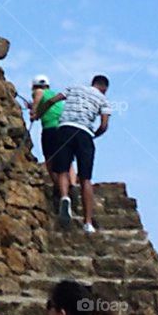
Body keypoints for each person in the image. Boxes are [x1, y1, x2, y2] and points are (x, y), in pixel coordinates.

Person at [40, 76, 112, 233]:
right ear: (104, 89)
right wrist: (94, 135)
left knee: (62, 169)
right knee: (86, 178)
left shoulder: (75, 88)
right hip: (84, 133)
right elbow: (104, 125)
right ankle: (88, 223)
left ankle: (65, 196)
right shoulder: (104, 100)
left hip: (65, 128)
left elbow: (52, 101)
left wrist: (38, 113)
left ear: (92, 83)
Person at [30, 74, 76, 211]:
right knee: (66, 159)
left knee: (50, 158)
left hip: (50, 128)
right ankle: (73, 184)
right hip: (63, 127)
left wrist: (33, 113)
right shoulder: (53, 94)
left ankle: (59, 187)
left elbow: (37, 105)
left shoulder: (38, 92)